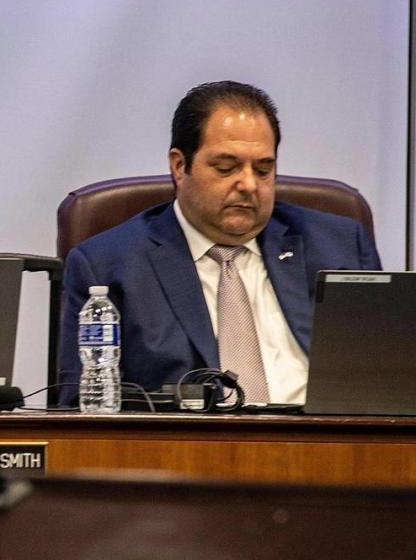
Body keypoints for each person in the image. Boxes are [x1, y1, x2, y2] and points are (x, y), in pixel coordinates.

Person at [58, 81, 381, 407]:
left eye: (264, 169)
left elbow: (385, 387)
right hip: (181, 452)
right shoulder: (109, 266)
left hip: (327, 447)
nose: (248, 185)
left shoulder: (339, 246)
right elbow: (82, 410)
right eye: (226, 168)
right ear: (179, 166)